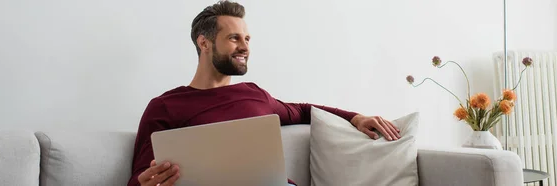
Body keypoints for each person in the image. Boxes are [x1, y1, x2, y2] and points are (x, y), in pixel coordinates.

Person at [127, 1, 401, 186]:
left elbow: (304, 110)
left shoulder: (254, 94)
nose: (245, 46)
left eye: (247, 39)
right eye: (234, 38)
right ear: (205, 42)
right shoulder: (165, 106)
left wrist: (355, 118)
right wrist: (148, 181)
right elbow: (138, 178)